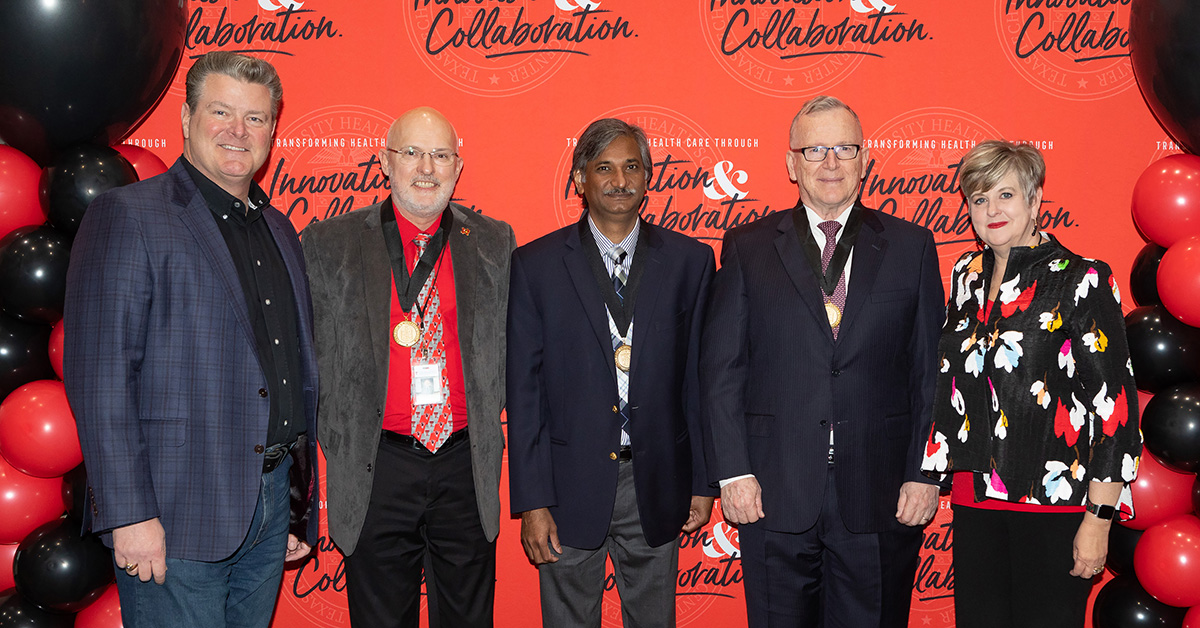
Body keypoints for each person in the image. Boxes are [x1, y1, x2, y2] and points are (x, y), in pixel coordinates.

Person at [63, 51, 318, 628]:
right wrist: (128, 514)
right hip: (173, 513)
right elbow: (100, 378)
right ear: (185, 118)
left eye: (256, 118)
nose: (238, 130)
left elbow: (291, 374)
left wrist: (297, 508)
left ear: (273, 130)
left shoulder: (280, 228)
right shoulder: (128, 216)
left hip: (272, 501)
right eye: (221, 112)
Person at [700, 95, 944, 628]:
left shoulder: (912, 247)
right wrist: (733, 472)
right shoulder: (748, 246)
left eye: (843, 148)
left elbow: (929, 373)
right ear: (791, 164)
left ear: (864, 160)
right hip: (772, 491)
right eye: (814, 150)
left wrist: (925, 473)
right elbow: (722, 371)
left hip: (882, 495)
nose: (830, 163)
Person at [301, 106, 515, 628]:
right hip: (377, 466)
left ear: (458, 167)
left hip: (465, 466)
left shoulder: (494, 241)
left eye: (441, 155)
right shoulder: (329, 243)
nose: (427, 168)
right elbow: (311, 363)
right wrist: (343, 437)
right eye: (412, 152)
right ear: (385, 161)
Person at [920, 140, 1141, 628]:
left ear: (1035, 200)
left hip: (1054, 503)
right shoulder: (966, 275)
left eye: (1005, 195)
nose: (992, 210)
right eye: (979, 199)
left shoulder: (1081, 277)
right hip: (974, 495)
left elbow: (1115, 405)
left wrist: (1099, 520)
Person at [507, 118, 717, 627]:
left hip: (658, 480)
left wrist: (703, 481)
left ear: (648, 177)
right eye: (604, 168)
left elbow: (701, 381)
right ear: (580, 178)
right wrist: (533, 501)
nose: (618, 180)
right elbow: (525, 391)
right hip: (567, 486)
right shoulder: (535, 265)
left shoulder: (691, 262)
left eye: (631, 167)